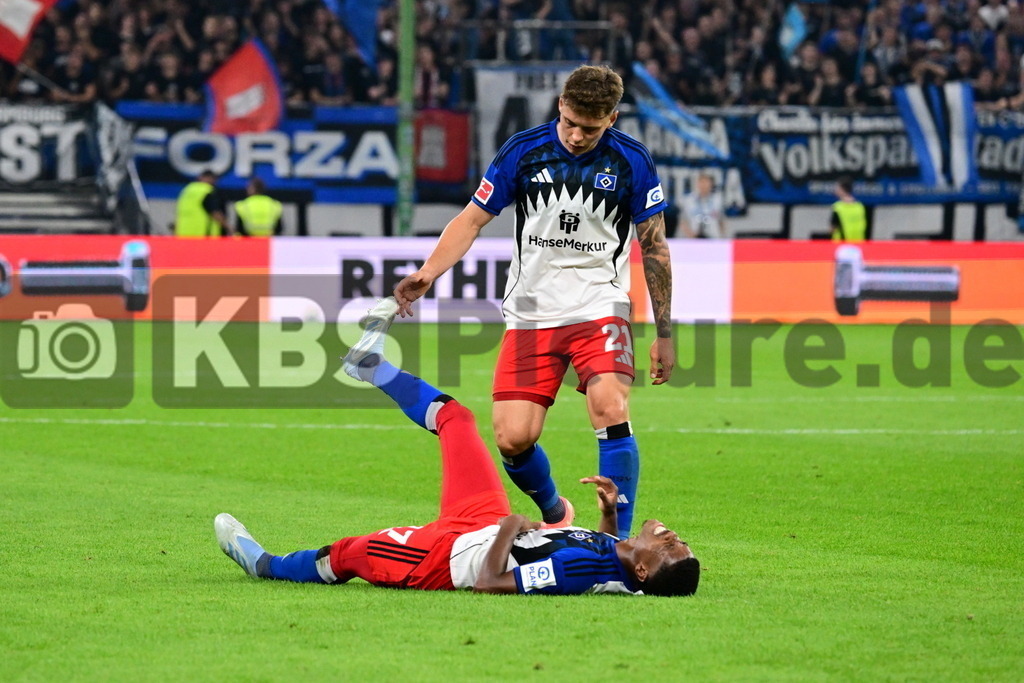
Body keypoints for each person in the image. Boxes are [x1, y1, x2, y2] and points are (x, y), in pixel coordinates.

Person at [214, 298, 700, 596]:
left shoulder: (580, 571)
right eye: (676, 541)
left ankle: (268, 566)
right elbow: (614, 556)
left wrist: (511, 526)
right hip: (483, 521)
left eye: (669, 547)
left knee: (350, 554)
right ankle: (372, 368)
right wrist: (611, 512)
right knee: (457, 419)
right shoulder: (620, 560)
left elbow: (490, 583)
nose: (671, 536)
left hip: (446, 557)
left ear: (644, 567)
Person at [394, 65, 674, 540]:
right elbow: (470, 221)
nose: (578, 136)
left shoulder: (632, 160)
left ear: (612, 118)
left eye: (591, 127)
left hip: (598, 304)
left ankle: (617, 544)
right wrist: (428, 272)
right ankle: (554, 510)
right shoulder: (523, 151)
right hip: (531, 313)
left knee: (610, 405)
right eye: (570, 123)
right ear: (560, 105)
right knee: (513, 438)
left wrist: (664, 333)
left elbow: (655, 246)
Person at [174, 170, 231, 237]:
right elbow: (215, 212)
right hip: (203, 234)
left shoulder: (187, 189)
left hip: (183, 233)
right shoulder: (207, 191)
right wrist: (228, 227)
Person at [679, 173, 726, 239]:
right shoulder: (689, 201)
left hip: (714, 239)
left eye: (706, 182)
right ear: (697, 183)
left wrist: (722, 237)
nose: (704, 185)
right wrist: (690, 235)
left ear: (711, 184)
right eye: (701, 182)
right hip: (694, 239)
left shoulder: (717, 200)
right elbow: (683, 221)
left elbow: (722, 221)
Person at [830, 176, 867, 242]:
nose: (835, 190)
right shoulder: (860, 207)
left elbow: (833, 228)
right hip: (858, 243)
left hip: (842, 244)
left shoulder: (837, 207)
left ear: (842, 189)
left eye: (837, 188)